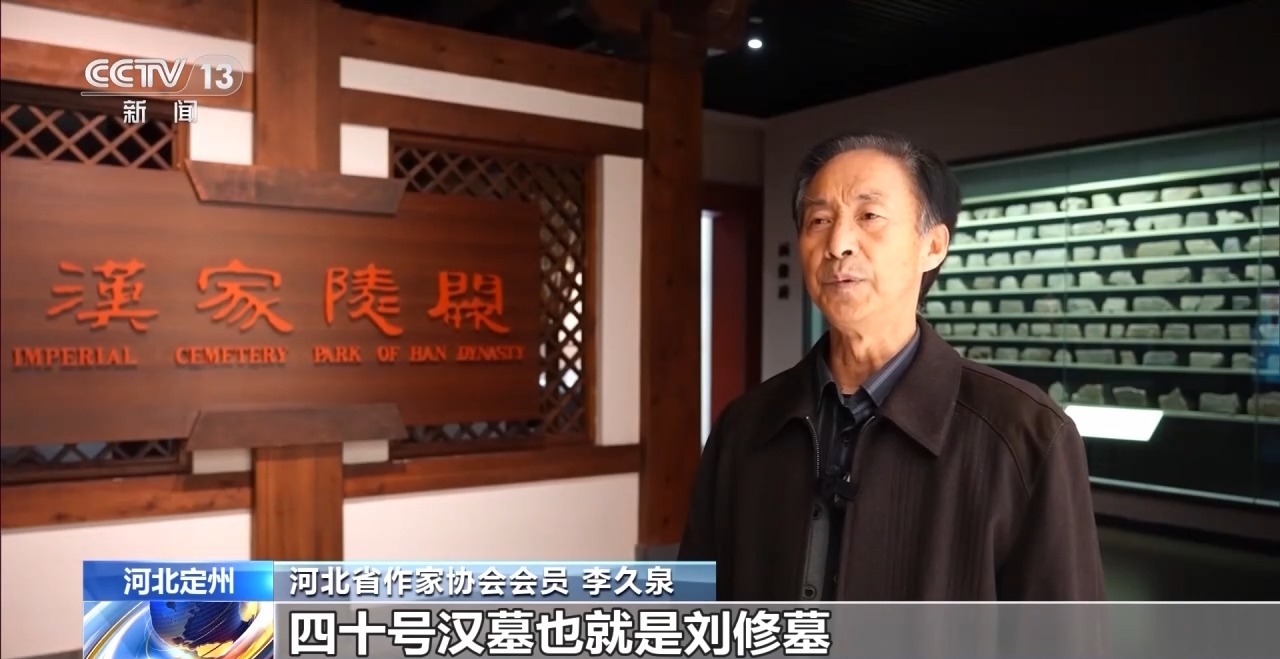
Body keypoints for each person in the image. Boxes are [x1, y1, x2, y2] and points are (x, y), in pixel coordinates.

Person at [678, 130, 1105, 601]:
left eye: (869, 216)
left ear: (933, 245)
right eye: (819, 220)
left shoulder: (1025, 435)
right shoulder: (744, 426)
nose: (838, 243)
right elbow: (693, 609)